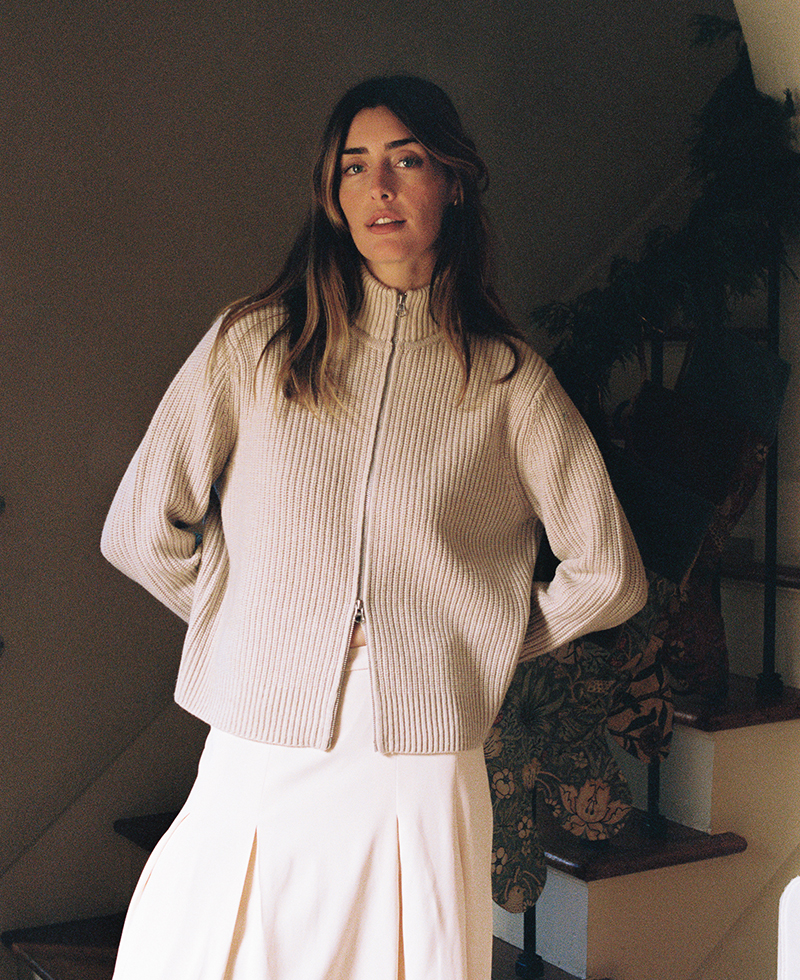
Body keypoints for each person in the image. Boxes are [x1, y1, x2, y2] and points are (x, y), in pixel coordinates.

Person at [101, 74, 646, 980]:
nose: (379, 188)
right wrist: (259, 624)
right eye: (355, 166)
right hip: (262, 736)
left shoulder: (510, 384)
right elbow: (139, 530)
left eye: (407, 160)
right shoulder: (254, 345)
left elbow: (609, 573)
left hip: (419, 754)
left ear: (455, 182)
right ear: (332, 193)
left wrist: (475, 641)